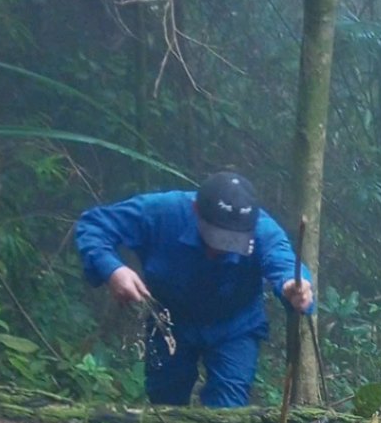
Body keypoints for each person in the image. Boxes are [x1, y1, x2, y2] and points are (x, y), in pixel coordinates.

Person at [74, 171, 315, 408]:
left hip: (235, 326)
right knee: (165, 402)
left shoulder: (263, 230)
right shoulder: (163, 212)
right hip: (169, 321)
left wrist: (293, 286)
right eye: (217, 236)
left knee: (227, 409)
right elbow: (94, 225)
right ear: (197, 211)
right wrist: (113, 269)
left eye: (233, 240)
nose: (221, 247)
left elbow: (283, 262)